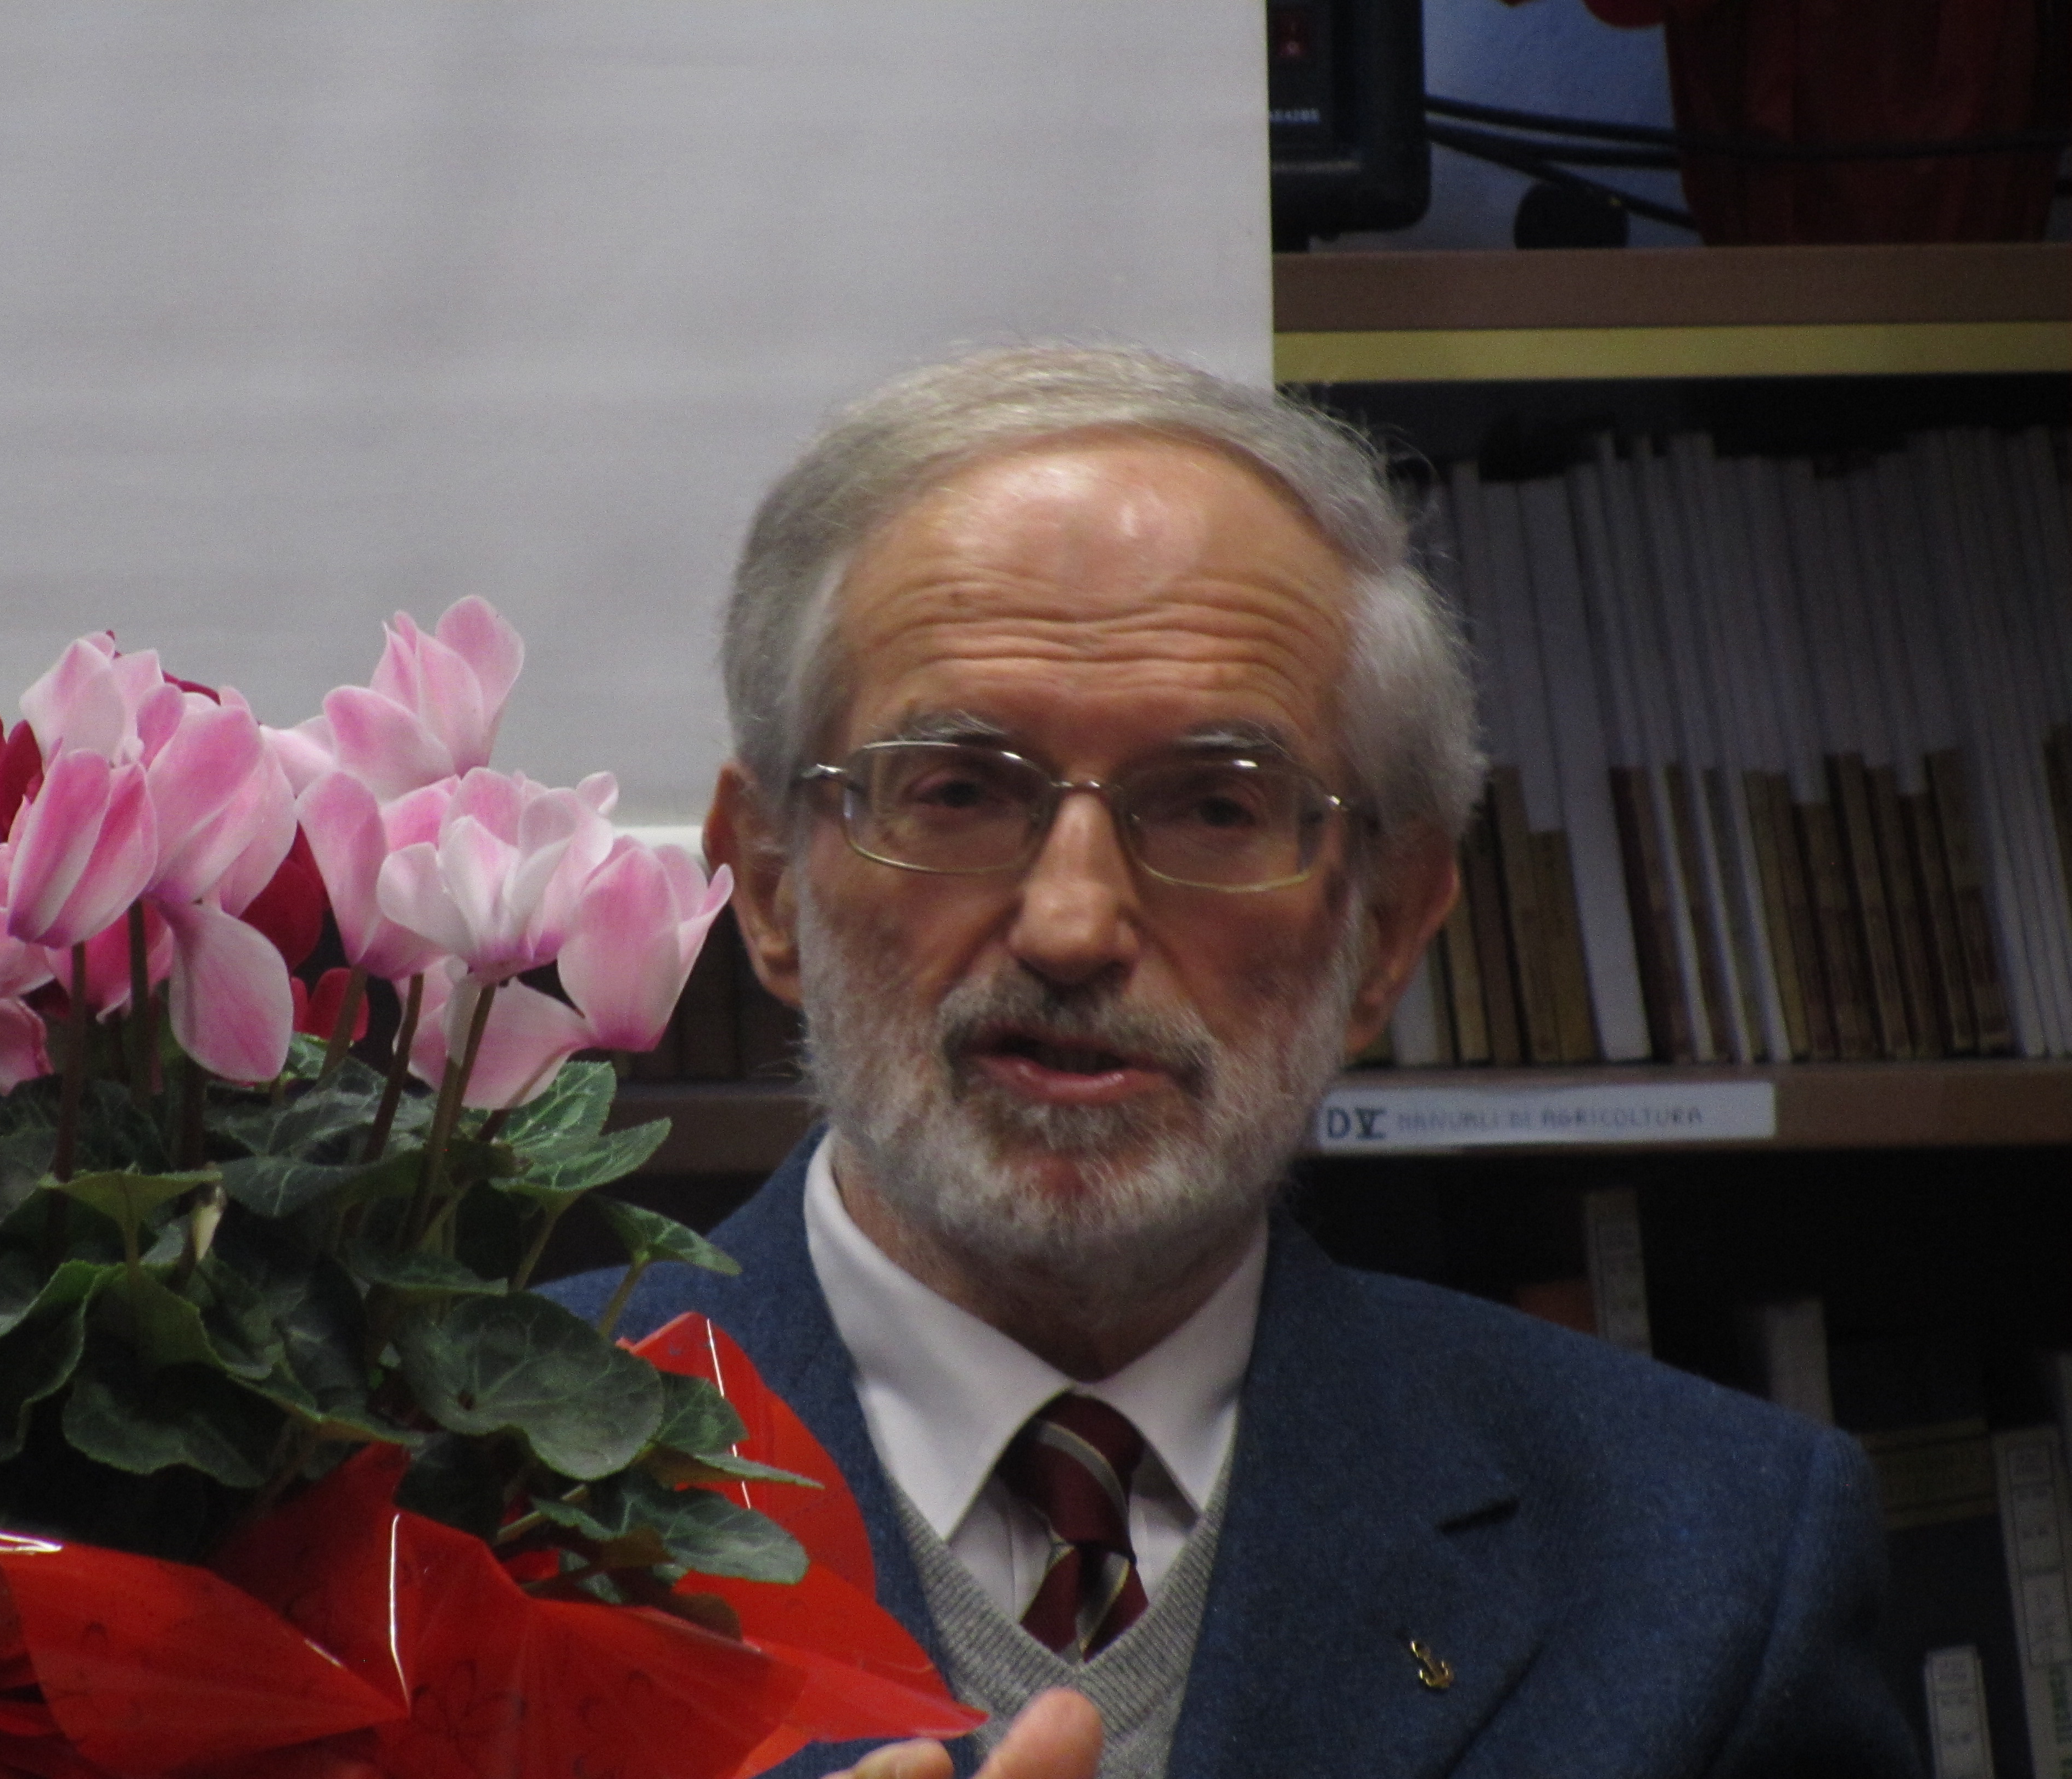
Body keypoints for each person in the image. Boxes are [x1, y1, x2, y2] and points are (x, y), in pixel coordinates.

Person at [548, 346, 1916, 1778]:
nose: (1073, 926)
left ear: (1385, 929)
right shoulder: (439, 1492)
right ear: (768, 884)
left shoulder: (1717, 1560)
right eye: (956, 791)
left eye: (1214, 807)